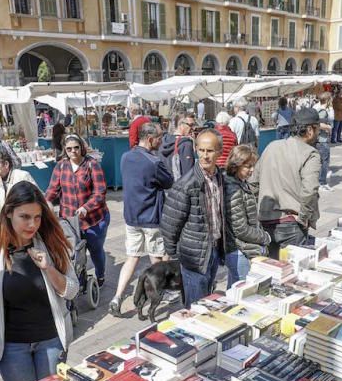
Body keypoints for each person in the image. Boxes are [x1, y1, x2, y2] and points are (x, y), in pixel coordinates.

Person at [0, 181, 78, 381]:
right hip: (12, 347)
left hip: (51, 340)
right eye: (25, 217)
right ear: (9, 213)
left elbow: (71, 290)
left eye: (37, 217)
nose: (32, 224)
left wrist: (48, 268)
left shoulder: (51, 243)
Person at [110, 121, 174, 316]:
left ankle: (117, 297)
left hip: (131, 216)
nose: (162, 141)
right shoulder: (153, 162)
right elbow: (169, 181)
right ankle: (159, 293)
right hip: (151, 218)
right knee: (157, 260)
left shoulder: (125, 157)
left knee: (132, 257)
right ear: (150, 139)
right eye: (160, 138)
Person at [161, 130, 226, 307]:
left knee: (207, 301)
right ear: (196, 149)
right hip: (193, 256)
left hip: (213, 249)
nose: (205, 156)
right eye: (202, 150)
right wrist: (177, 255)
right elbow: (169, 225)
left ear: (219, 151)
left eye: (210, 151)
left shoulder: (221, 178)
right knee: (195, 307)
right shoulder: (185, 184)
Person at [253, 107, 321, 258]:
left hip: (266, 220)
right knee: (292, 276)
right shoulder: (310, 153)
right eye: (317, 130)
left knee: (273, 272)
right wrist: (303, 218)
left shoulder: (272, 146)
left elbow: (253, 183)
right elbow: (310, 191)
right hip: (291, 223)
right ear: (310, 130)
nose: (318, 134)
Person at [45, 134, 110, 287]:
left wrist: (86, 207)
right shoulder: (61, 166)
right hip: (69, 220)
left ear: (81, 147)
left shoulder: (91, 164)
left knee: (96, 250)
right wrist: (45, 202)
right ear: (65, 150)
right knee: (74, 252)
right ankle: (80, 279)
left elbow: (100, 191)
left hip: (93, 220)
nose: (73, 151)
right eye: (69, 149)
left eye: (76, 147)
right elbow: (52, 190)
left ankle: (100, 275)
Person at [223, 144, 270, 287]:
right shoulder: (233, 189)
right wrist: (264, 237)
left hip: (241, 248)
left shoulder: (240, 183)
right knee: (242, 291)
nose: (252, 170)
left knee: (235, 290)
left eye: (253, 166)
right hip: (240, 250)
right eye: (248, 166)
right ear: (236, 165)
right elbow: (240, 228)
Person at [0, 150, 34, 226]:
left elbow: (37, 198)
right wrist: (0, 228)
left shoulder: (22, 176)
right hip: (8, 224)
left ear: (6, 164)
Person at [316, 93, 334, 191]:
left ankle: (320, 182)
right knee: (324, 162)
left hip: (319, 140)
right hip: (322, 140)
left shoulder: (318, 109)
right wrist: (329, 127)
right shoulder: (323, 111)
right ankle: (322, 183)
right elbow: (320, 124)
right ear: (327, 100)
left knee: (320, 162)